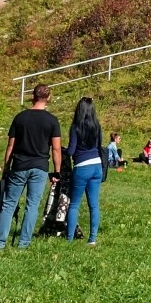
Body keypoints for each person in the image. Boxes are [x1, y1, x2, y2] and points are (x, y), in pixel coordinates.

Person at [0, 84, 62, 250]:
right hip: (40, 167)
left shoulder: (20, 117)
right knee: (32, 205)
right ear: (49, 97)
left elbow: (10, 146)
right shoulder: (52, 120)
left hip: (19, 165)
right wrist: (56, 172)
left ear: (33, 96)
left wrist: (6, 168)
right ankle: (23, 244)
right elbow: (56, 149)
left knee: (9, 204)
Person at [65, 96, 105, 244]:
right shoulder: (97, 126)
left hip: (82, 166)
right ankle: (92, 239)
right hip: (97, 165)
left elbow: (71, 151)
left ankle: (69, 238)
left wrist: (61, 150)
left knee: (74, 204)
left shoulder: (76, 126)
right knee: (94, 205)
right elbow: (99, 145)